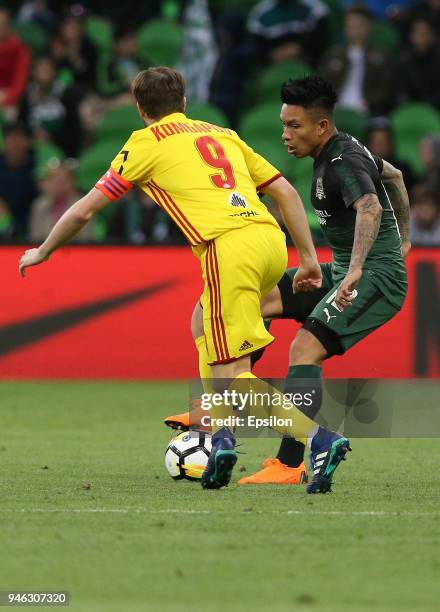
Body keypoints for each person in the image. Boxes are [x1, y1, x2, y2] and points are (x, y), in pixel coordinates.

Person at [19, 67, 350, 494]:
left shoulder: (143, 143)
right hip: (270, 241)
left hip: (226, 249)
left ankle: (319, 438)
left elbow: (85, 210)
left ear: (140, 109)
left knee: (231, 371)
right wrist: (307, 259)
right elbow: (285, 190)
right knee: (201, 324)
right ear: (185, 103)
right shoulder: (223, 134)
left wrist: (43, 249)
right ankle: (222, 437)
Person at [165, 75, 410, 486]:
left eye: (294, 126)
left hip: (374, 277)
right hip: (345, 268)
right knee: (231, 306)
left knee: (304, 349)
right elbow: (396, 177)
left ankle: (291, 462)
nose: (285, 135)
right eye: (283, 124)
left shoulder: (341, 161)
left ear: (322, 127)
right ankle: (225, 403)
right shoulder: (346, 149)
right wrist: (405, 238)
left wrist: (358, 267)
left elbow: (369, 206)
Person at [318, 5, 392, 114]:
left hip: (367, 110)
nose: (354, 29)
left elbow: (386, 89)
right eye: (350, 25)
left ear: (368, 27)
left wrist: (370, 104)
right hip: (336, 110)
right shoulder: (333, 54)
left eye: (358, 25)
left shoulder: (381, 56)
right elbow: (321, 85)